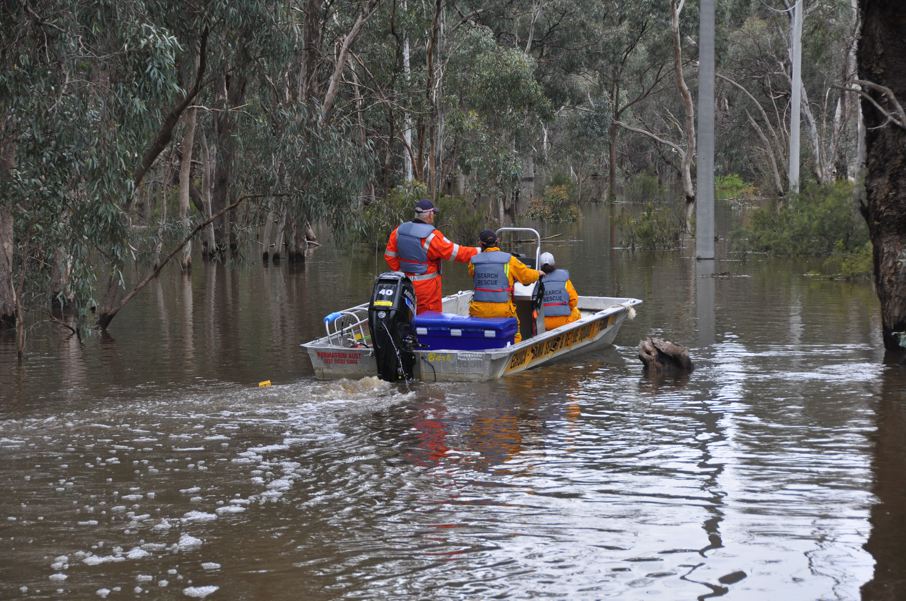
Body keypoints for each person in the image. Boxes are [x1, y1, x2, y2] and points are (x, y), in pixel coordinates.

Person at [384, 199, 479, 314]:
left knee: (407, 316)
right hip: (427, 291)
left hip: (404, 285)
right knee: (429, 321)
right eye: (433, 213)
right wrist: (481, 251)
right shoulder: (432, 237)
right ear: (429, 214)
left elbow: (389, 256)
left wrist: (401, 272)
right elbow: (457, 253)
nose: (433, 216)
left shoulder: (398, 232)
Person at [468, 229, 542, 342]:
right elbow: (527, 276)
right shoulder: (509, 260)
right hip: (502, 310)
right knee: (515, 331)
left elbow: (473, 275)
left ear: (480, 244)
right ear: (497, 242)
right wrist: (538, 273)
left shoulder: (473, 261)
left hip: (479, 310)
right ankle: (515, 351)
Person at [538, 251, 581, 330]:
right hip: (564, 323)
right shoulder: (564, 279)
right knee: (576, 311)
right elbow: (574, 300)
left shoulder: (536, 280)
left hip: (543, 324)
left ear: (540, 266)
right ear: (553, 264)